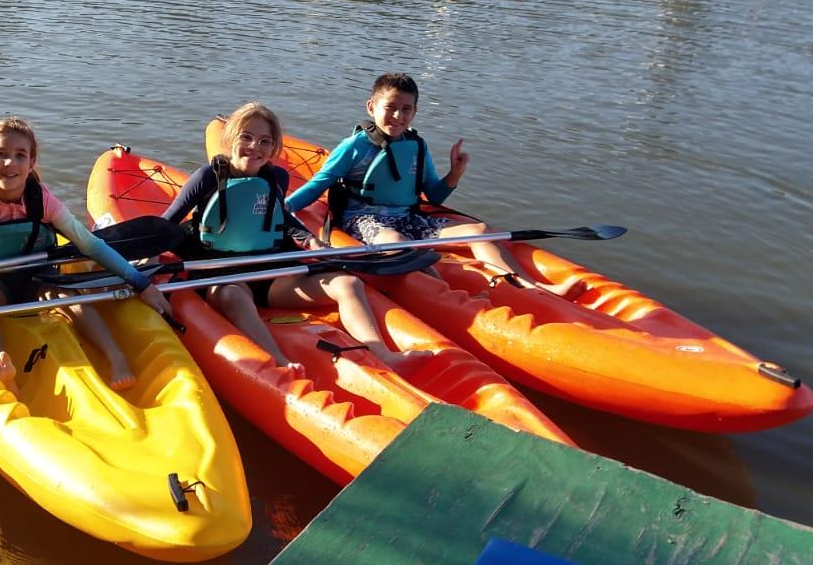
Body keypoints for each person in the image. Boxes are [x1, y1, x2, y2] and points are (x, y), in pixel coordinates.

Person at [0, 117, 173, 391]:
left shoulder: (41, 199)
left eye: (20, 155)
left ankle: (116, 357)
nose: (10, 163)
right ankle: (0, 363)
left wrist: (141, 283)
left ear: (31, 164)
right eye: (1, 154)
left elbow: (89, 244)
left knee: (64, 293)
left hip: (37, 276)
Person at [161, 102, 414, 372]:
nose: (254, 147)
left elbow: (283, 218)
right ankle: (280, 364)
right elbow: (167, 224)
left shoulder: (276, 178)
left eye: (264, 141)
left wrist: (310, 241)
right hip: (223, 276)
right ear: (229, 138)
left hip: (270, 275)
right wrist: (147, 257)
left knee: (348, 284)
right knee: (234, 297)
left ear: (273, 148)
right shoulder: (205, 179)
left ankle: (382, 355)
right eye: (246, 137)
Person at [285, 72, 556, 292]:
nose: (398, 116)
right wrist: (283, 209)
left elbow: (433, 197)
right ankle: (447, 293)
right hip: (364, 218)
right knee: (396, 242)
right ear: (372, 107)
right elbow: (318, 185)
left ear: (414, 112)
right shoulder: (354, 146)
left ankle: (526, 285)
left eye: (406, 109)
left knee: (482, 229)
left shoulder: (415, 145)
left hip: (408, 216)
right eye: (390, 108)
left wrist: (454, 174)